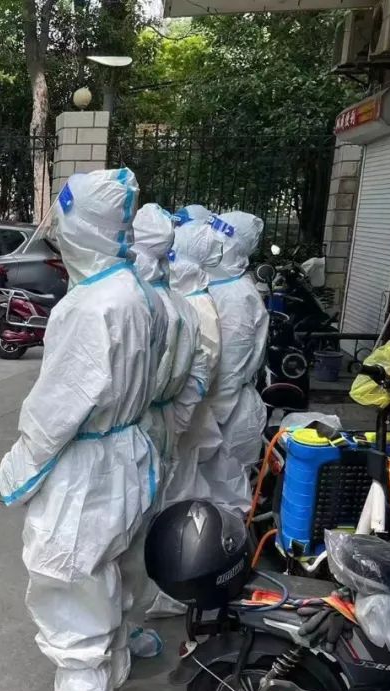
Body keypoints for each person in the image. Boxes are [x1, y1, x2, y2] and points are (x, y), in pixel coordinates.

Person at [0, 168, 163, 691]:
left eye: (63, 222)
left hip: (88, 470)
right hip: (125, 457)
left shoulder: (90, 306)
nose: (57, 232)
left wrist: (19, 469)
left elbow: (56, 409)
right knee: (107, 591)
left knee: (70, 595)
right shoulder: (135, 291)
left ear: (81, 228)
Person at [132, 203, 209, 621]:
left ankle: (128, 619)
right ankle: (144, 608)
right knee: (153, 511)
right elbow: (199, 372)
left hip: (132, 427)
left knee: (125, 528)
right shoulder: (183, 305)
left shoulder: (134, 305)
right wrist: (176, 419)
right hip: (161, 423)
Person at [202, 211, 270, 516]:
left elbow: (230, 369)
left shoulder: (237, 296)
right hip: (219, 410)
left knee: (223, 506)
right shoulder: (220, 285)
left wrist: (204, 423)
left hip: (227, 416)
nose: (212, 242)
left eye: (220, 236)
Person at [162, 214, 224, 508]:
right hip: (182, 412)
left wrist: (178, 418)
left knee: (180, 484)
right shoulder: (189, 298)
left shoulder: (199, 305)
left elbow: (203, 369)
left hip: (187, 414)